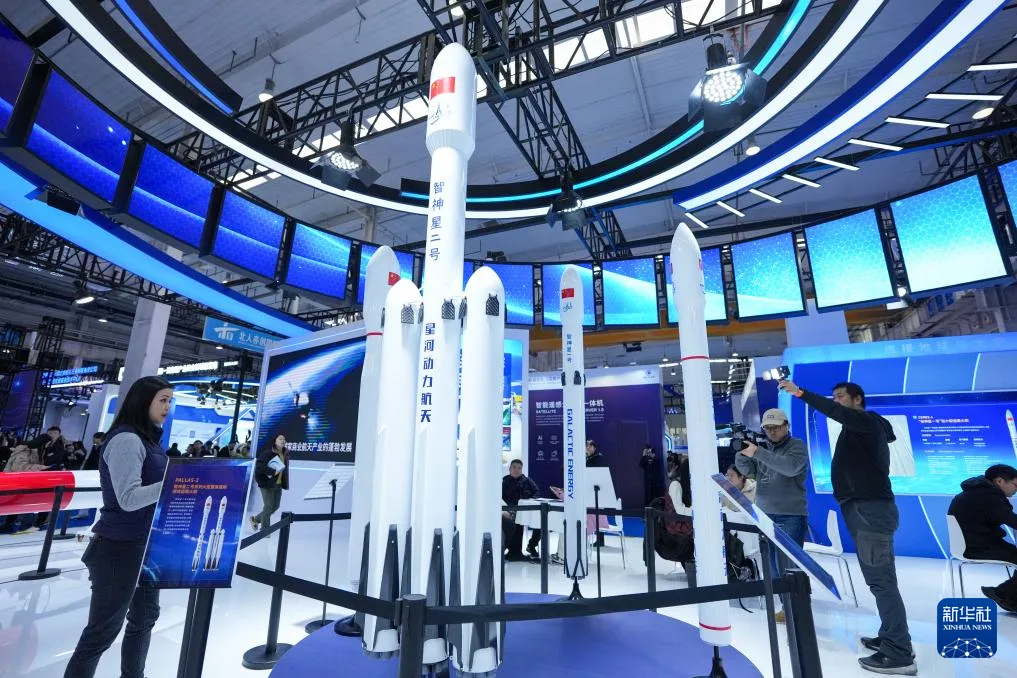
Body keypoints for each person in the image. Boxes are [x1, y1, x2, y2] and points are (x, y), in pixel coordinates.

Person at [781, 379, 915, 676]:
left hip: (869, 510)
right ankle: (891, 635)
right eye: (834, 397)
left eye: (841, 396)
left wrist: (800, 393)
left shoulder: (865, 421)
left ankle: (899, 653)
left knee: (881, 581)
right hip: (864, 508)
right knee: (880, 579)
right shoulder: (862, 428)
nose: (836, 402)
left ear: (858, 400)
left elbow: (835, 412)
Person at [63, 375, 174, 678]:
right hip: (118, 547)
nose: (168, 407)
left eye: (170, 400)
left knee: (144, 618)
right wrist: (174, 483)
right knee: (102, 631)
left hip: (144, 546)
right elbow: (128, 498)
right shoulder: (127, 440)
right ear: (143, 401)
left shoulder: (148, 440)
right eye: (163, 400)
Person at [948, 464, 1017, 612]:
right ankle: (1003, 594)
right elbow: (1012, 520)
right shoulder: (988, 497)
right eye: (1015, 485)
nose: (1016, 490)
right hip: (978, 547)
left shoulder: (976, 492)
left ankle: (1008, 596)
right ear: (1000, 481)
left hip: (974, 544)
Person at [502, 459, 541, 561]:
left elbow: (537, 493)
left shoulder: (528, 481)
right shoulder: (504, 481)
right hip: (509, 511)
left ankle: (530, 546)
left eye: (519, 468)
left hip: (526, 511)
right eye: (514, 467)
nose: (516, 470)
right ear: (510, 469)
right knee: (513, 523)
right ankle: (513, 552)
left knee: (541, 523)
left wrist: (529, 501)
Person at [252, 434, 289, 531]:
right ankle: (265, 529)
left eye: (284, 439)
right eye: (280, 439)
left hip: (278, 484)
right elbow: (259, 468)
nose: (283, 440)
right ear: (275, 441)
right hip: (267, 483)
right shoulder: (267, 454)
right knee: (268, 506)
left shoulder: (284, 454)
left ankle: (255, 519)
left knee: (275, 506)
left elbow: (283, 469)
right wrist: (273, 472)